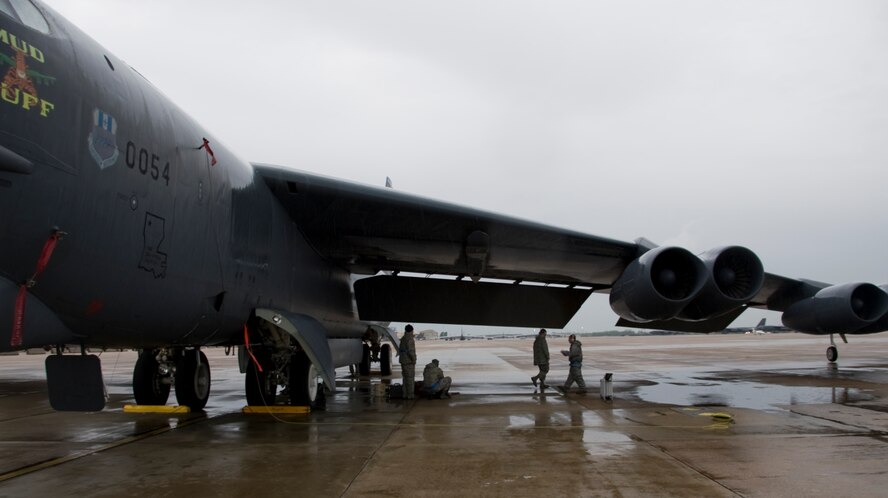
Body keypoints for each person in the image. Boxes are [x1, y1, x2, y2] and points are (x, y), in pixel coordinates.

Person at [399, 324, 416, 399]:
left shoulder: (403, 338)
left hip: (403, 360)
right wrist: (414, 360)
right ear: (412, 330)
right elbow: (411, 351)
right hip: (408, 362)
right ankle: (410, 395)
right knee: (410, 379)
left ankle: (405, 394)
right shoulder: (410, 339)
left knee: (405, 378)